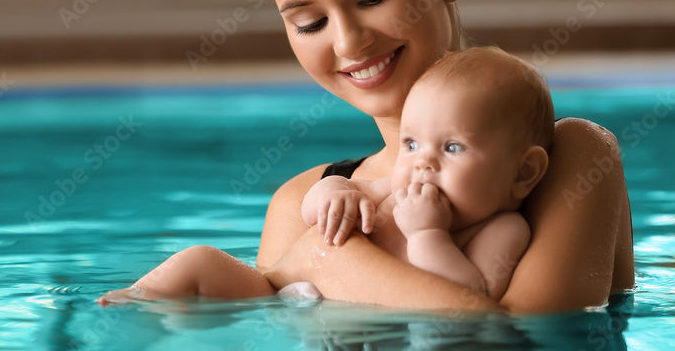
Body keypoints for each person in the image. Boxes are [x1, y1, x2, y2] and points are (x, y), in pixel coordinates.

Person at [104, 0, 634, 312]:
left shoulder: (571, 158)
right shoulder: (300, 202)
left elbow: (532, 338)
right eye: (309, 22)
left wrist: (323, 260)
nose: (348, 42)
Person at [97, 47, 553, 304]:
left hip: (351, 317)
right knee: (199, 261)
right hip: (284, 296)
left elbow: (473, 297)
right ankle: (129, 311)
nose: (422, 163)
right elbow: (319, 206)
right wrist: (335, 192)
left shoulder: (501, 228)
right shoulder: (396, 186)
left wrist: (429, 234)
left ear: (523, 173)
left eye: (453, 147)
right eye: (411, 143)